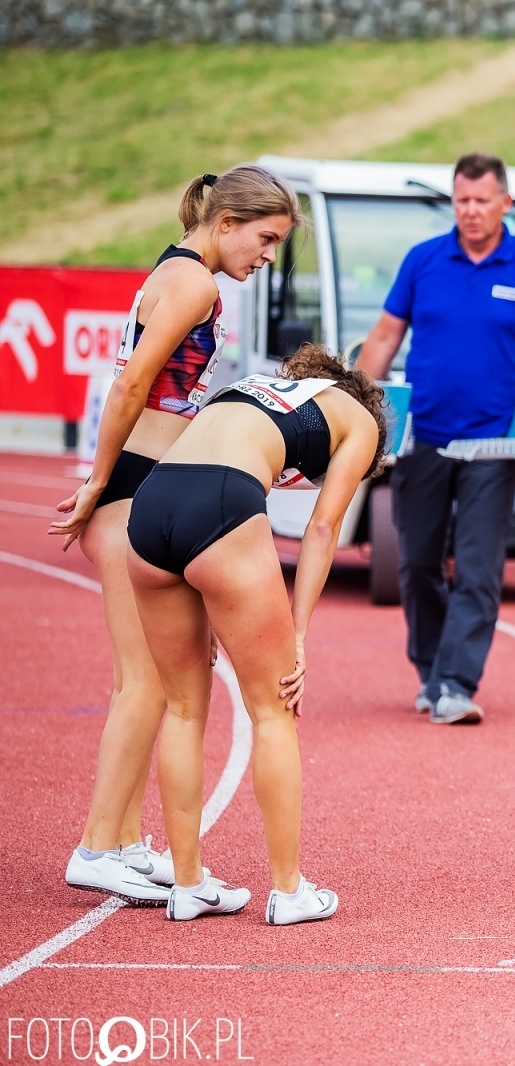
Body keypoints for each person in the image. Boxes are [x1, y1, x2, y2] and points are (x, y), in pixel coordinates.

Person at [49, 166, 301, 906]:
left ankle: (124, 840)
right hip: (132, 485)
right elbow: (131, 386)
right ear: (225, 222)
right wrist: (99, 483)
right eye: (264, 240)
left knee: (154, 682)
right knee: (148, 683)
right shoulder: (195, 284)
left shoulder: (177, 270)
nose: (266, 258)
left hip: (143, 482)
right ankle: (97, 846)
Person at [126, 344, 387, 922]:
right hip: (220, 500)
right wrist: (297, 636)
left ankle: (188, 885)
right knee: (274, 709)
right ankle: (290, 892)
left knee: (184, 709)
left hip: (150, 505)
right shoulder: (361, 421)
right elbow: (323, 528)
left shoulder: (257, 390)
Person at [356, 152, 515, 726]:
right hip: (425, 441)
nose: (471, 211)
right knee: (416, 564)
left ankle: (457, 683)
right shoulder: (424, 260)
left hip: (493, 447)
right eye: (462, 200)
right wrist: (359, 409)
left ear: (504, 203)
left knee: (480, 568)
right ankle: (432, 669)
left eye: (482, 200)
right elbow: (385, 339)